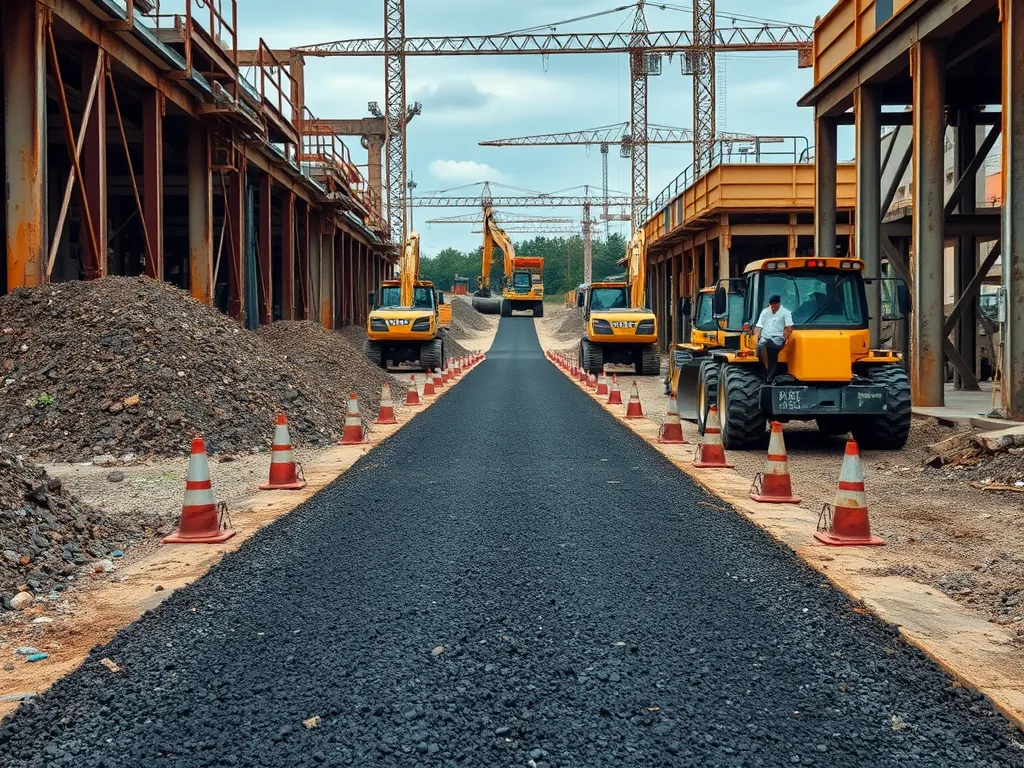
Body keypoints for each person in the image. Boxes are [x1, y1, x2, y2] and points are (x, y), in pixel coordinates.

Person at [754, 294, 793, 382]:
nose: (773, 307)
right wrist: (757, 337)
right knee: (760, 346)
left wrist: (786, 338)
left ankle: (769, 375)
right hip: (765, 337)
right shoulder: (765, 312)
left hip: (778, 337)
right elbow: (759, 326)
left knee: (771, 346)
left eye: (774, 304)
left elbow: (788, 327)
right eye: (771, 304)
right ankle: (766, 367)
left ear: (778, 304)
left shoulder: (786, 313)